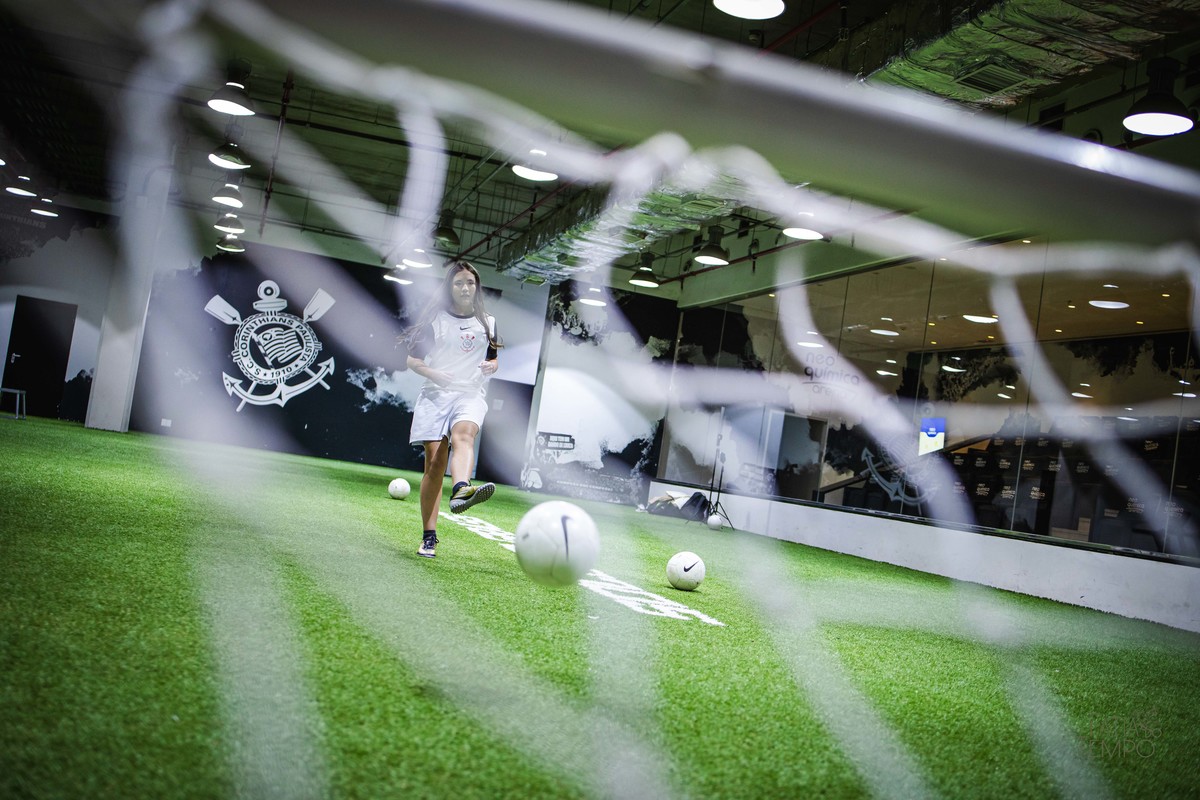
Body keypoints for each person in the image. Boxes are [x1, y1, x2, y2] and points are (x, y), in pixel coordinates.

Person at [401, 260, 502, 558]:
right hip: (435, 394)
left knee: (464, 436)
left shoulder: (489, 322)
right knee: (434, 463)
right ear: (450, 287)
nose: (465, 287)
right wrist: (433, 373)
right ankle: (429, 536)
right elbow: (412, 360)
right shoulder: (436, 319)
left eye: (470, 283)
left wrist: (490, 365)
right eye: (459, 283)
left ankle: (461, 488)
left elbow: (495, 358)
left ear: (476, 287)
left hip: (469, 393)